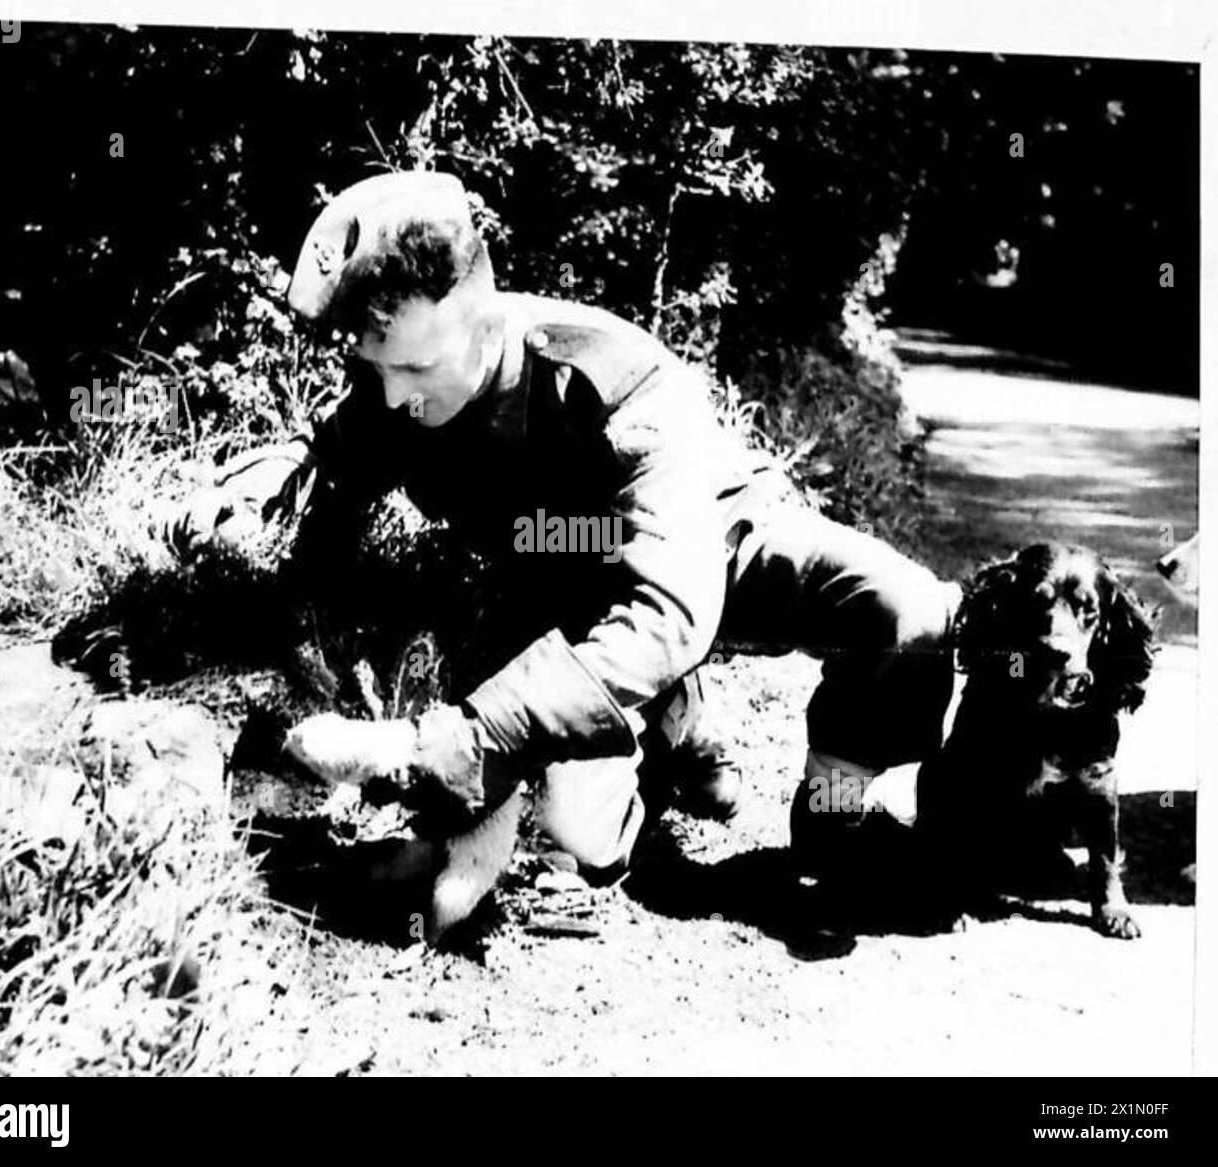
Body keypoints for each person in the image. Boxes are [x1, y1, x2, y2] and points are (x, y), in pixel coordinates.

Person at [171, 170, 959, 899]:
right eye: (375, 370)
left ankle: (830, 806)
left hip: (707, 545)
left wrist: (464, 737)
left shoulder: (615, 383)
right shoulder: (400, 384)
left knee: (908, 615)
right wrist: (257, 484)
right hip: (572, 592)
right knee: (580, 839)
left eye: (414, 370)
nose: (394, 397)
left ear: (484, 320)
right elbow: (330, 448)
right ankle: (673, 730)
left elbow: (668, 610)